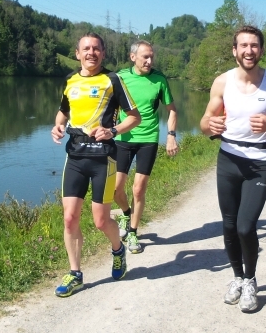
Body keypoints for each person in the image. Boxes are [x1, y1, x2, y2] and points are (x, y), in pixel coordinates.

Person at [200, 25, 266, 312]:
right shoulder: (222, 82)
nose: (249, 51)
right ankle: (237, 278)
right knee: (228, 226)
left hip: (259, 162)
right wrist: (210, 125)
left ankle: (251, 280)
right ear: (234, 50)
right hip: (228, 158)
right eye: (243, 46)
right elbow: (206, 120)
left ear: (261, 50)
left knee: (245, 226)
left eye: (254, 46)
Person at [50, 33, 142, 297]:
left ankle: (118, 250)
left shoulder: (113, 80)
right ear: (77, 54)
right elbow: (63, 111)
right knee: (69, 218)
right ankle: (75, 273)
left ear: (103, 53)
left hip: (104, 158)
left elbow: (134, 117)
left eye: (96, 49)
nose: (91, 53)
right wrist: (57, 125)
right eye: (86, 49)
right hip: (76, 156)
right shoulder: (70, 80)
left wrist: (112, 131)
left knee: (101, 221)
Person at [114, 40, 179, 254]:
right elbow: (108, 106)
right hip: (123, 138)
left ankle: (133, 231)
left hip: (148, 138)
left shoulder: (159, 79)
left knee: (139, 188)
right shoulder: (121, 77)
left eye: (151, 57)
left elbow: (172, 110)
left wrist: (170, 136)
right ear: (133, 57)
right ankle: (125, 213)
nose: (149, 61)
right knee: (115, 189)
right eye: (145, 57)